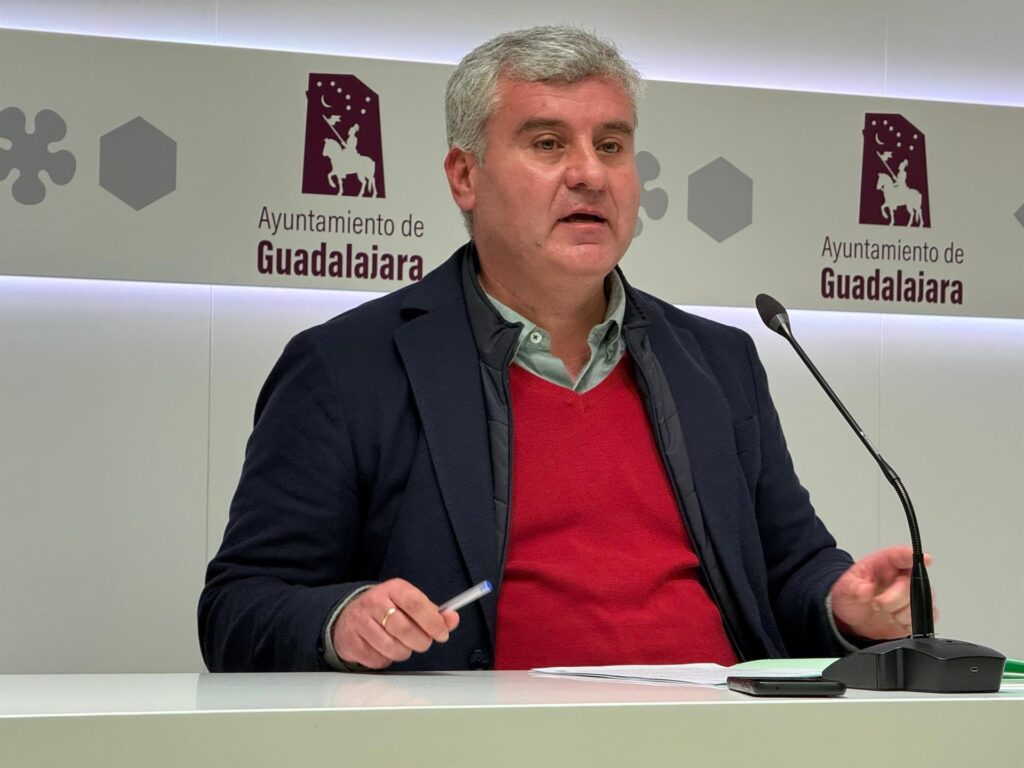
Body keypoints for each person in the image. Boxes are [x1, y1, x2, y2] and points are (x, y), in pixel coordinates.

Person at [199, 26, 926, 673]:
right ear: (464, 177)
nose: (590, 173)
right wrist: (341, 620)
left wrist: (843, 603)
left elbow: (789, 568)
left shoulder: (717, 361)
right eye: (548, 144)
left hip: (720, 736)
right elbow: (241, 605)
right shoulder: (347, 366)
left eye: (611, 145)